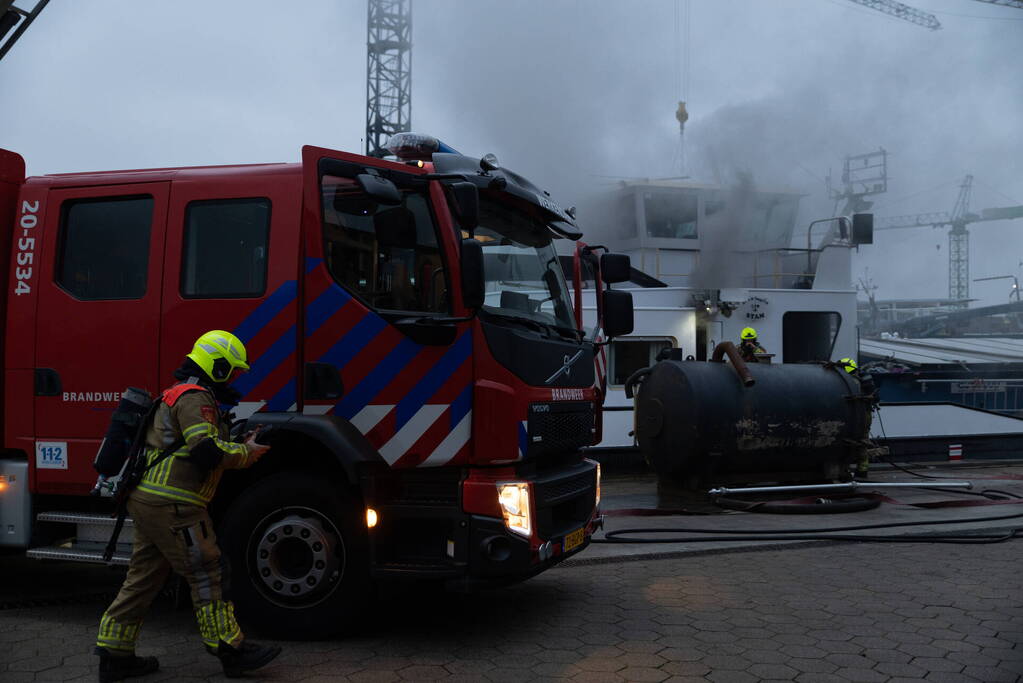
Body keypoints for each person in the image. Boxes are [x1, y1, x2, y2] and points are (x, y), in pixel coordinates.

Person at [94, 330, 280, 682]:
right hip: (175, 505)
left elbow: (191, 443)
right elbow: (205, 451)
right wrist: (246, 453)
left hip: (150, 501)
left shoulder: (175, 394)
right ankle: (231, 649)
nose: (235, 378)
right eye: (232, 370)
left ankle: (114, 653)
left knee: (142, 579)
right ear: (219, 366)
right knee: (208, 571)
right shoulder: (196, 398)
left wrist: (237, 440)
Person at [840, 357, 882, 480]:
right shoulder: (862, 379)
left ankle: (857, 471)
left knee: (858, 441)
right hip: (863, 414)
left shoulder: (853, 381)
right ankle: (861, 470)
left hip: (859, 415)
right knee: (861, 441)